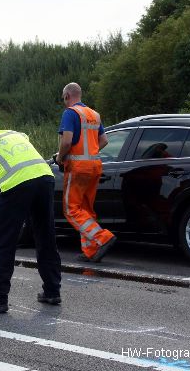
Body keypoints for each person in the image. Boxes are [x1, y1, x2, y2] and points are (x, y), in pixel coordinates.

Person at [0, 127, 62, 313]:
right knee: (45, 236)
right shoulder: (12, 134)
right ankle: (52, 291)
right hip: (45, 178)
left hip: (17, 184)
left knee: (3, 242)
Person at [55, 82, 117, 262]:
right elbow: (103, 141)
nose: (64, 102)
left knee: (71, 209)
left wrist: (60, 157)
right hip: (95, 166)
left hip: (77, 168)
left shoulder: (70, 113)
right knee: (85, 208)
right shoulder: (94, 115)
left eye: (63, 99)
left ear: (67, 96)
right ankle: (91, 250)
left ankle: (102, 237)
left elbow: (66, 142)